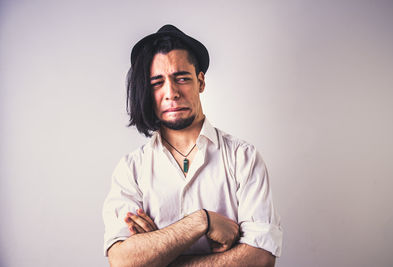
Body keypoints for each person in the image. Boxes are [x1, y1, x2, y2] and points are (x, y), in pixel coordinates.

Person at [102, 24, 282, 267]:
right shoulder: (131, 170)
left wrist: (160, 255)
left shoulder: (243, 158)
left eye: (181, 78)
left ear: (201, 82)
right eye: (157, 82)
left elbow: (260, 259)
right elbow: (122, 261)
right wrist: (200, 221)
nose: (171, 93)